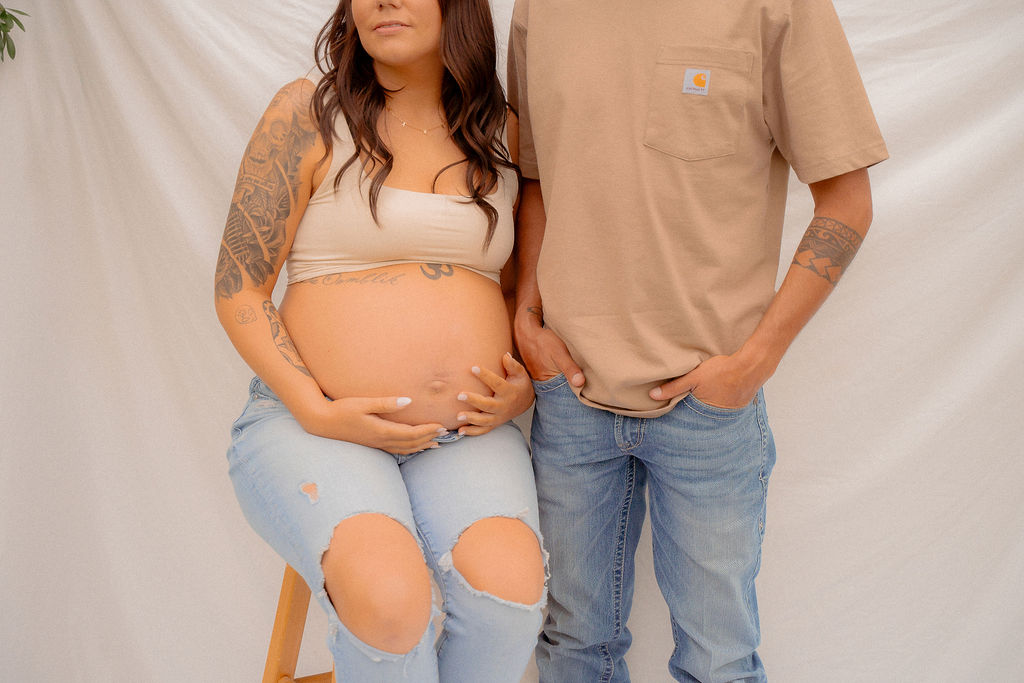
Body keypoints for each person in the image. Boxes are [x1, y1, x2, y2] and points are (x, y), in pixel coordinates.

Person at [507, 0, 888, 681]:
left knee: (718, 663)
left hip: (707, 409)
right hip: (570, 394)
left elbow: (846, 200)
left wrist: (752, 362)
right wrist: (526, 314)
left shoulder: (781, 6)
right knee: (570, 647)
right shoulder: (541, 8)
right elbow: (535, 175)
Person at [214, 0, 546, 679]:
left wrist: (522, 382)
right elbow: (238, 289)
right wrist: (314, 406)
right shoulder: (308, 114)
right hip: (312, 426)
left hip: (465, 434)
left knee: (510, 592)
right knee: (391, 600)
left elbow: (517, 294)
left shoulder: (503, 135)